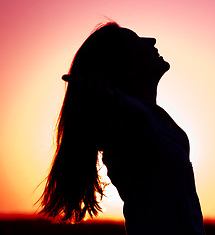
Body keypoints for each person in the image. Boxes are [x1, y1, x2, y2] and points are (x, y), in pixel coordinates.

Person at [38, 22, 205, 235]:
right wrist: (107, 94)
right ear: (123, 67)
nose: (150, 40)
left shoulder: (157, 117)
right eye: (135, 42)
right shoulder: (124, 124)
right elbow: (128, 114)